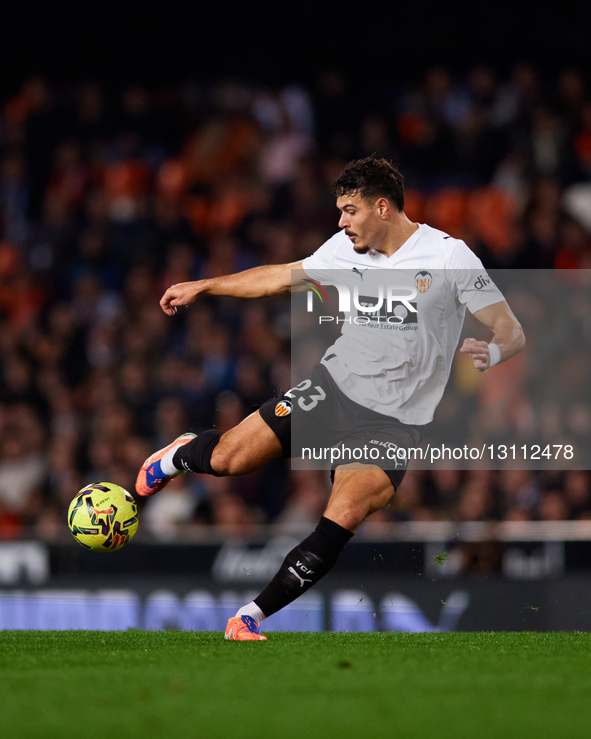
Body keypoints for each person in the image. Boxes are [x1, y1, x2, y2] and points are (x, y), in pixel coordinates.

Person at [136, 156, 525, 640]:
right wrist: (205, 285)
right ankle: (179, 454)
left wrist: (491, 349)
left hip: (393, 423)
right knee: (228, 460)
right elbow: (279, 276)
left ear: (381, 208)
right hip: (332, 389)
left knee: (342, 514)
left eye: (349, 210)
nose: (341, 222)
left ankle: (249, 617)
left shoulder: (450, 257)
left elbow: (511, 330)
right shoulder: (344, 250)